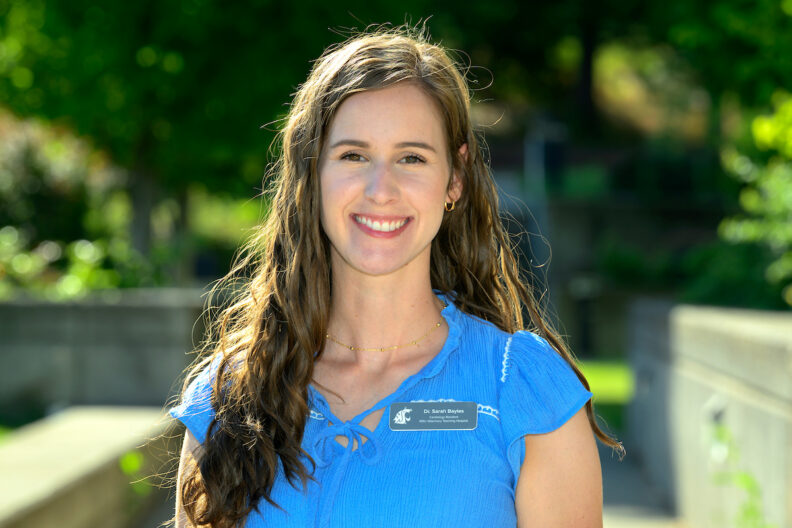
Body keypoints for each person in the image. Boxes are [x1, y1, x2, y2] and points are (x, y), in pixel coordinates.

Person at [168, 24, 623, 528]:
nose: (380, 190)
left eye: (412, 158)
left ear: (454, 178)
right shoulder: (230, 396)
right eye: (353, 155)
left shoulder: (521, 391)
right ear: (312, 172)